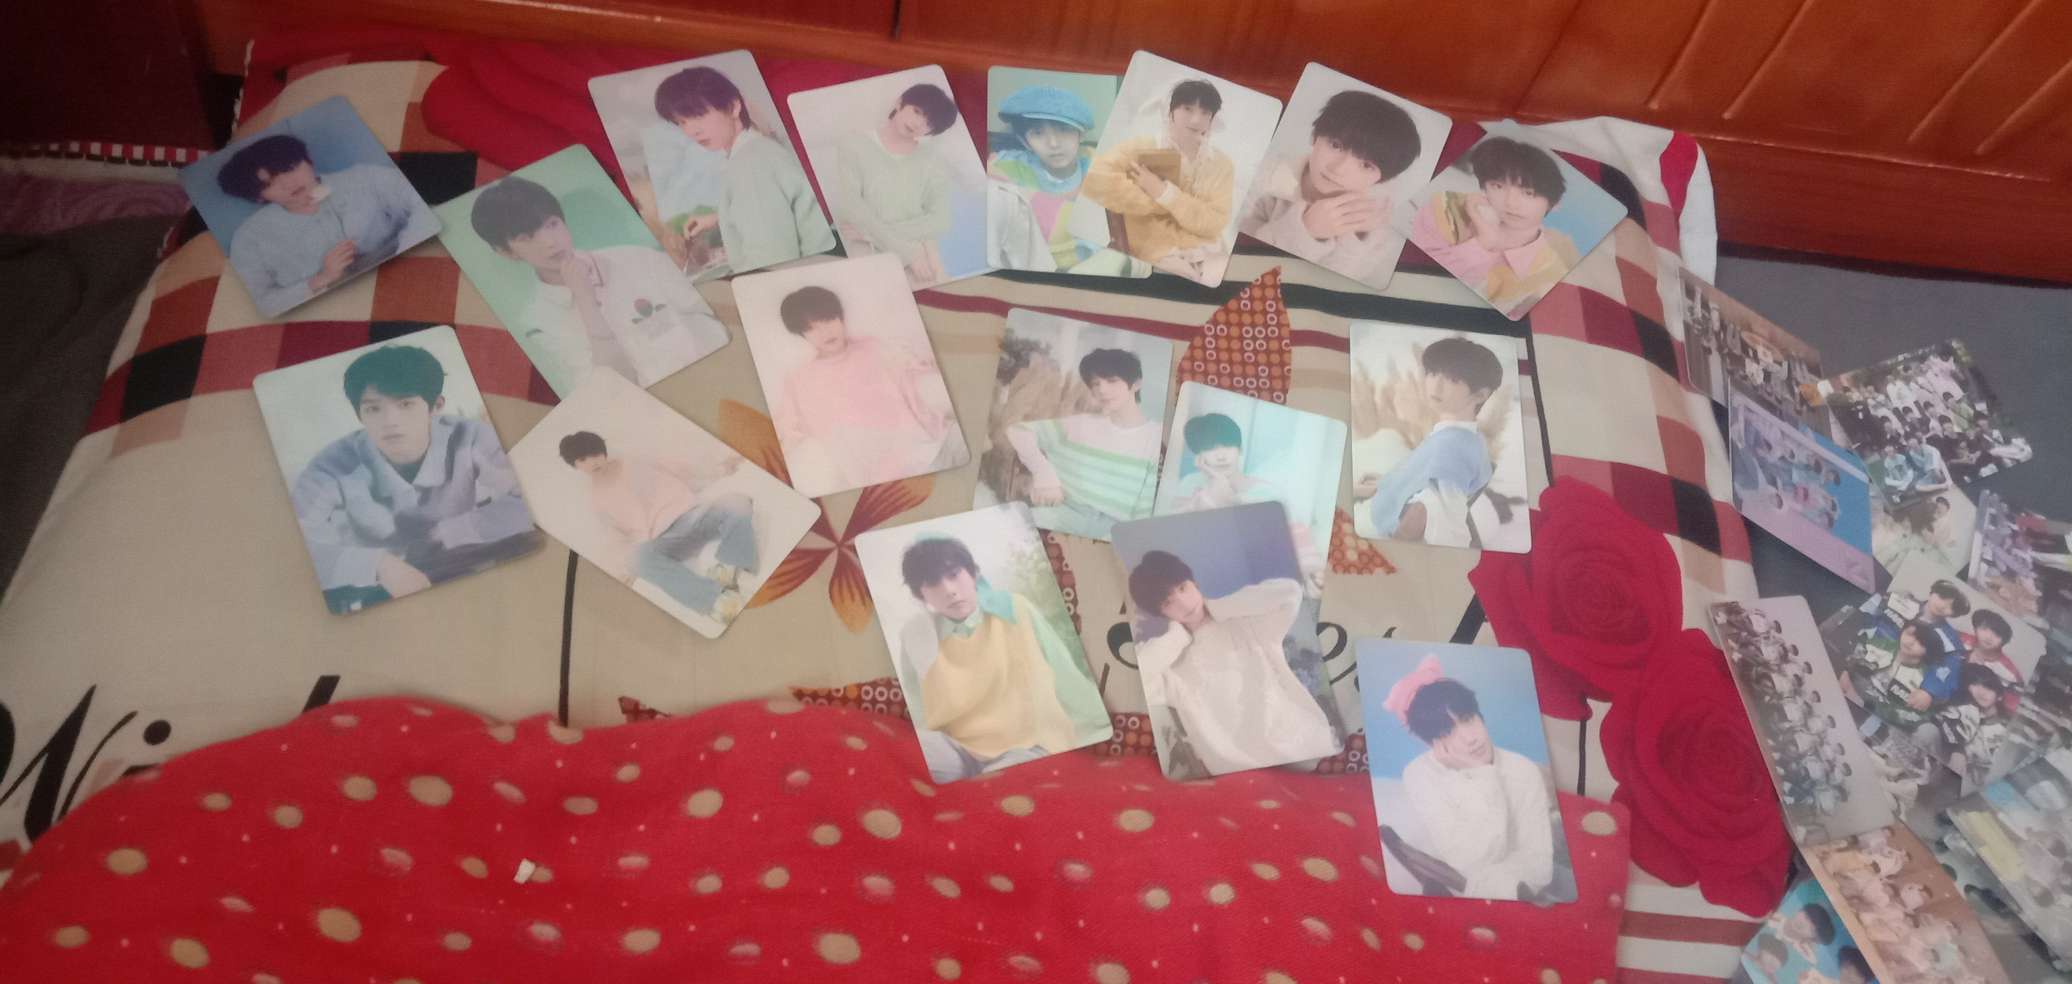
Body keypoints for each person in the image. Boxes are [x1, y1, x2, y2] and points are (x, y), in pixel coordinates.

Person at [291, 344, 540, 613]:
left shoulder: (470, 436)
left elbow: (532, 497)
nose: (390, 421)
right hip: (386, 583)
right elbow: (295, 542)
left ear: (435, 406)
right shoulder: (331, 465)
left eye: (405, 404)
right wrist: (376, 565)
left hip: (465, 555)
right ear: (359, 415)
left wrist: (452, 531)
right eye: (373, 409)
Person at [470, 176, 726, 392]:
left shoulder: (637, 258)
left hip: (714, 374)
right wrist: (585, 299)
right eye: (527, 237)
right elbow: (610, 388)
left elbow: (712, 315)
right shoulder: (538, 324)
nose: (550, 242)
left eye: (552, 224)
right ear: (506, 252)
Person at [894, 537, 1111, 780]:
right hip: (958, 747)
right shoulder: (918, 637)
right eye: (933, 583)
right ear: (921, 595)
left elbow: (1062, 669)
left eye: (954, 574)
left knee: (995, 786)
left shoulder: (1014, 610)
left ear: (973, 573)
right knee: (906, 755)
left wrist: (1099, 722)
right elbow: (916, 703)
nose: (949, 590)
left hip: (1027, 744)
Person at [1126, 550, 1338, 774]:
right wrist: (1176, 637)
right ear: (1161, 613)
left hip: (1300, 744)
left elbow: (1289, 592)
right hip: (1245, 768)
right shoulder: (1174, 666)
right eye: (1168, 602)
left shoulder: (1248, 625)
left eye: (1182, 588)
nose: (1183, 603)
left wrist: (1218, 608)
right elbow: (1139, 677)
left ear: (1194, 583)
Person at [1381, 656, 1558, 900]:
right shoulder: (1420, 773)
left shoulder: (1522, 770)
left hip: (1510, 885)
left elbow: (1540, 866)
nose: (1470, 738)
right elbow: (1469, 858)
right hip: (1461, 872)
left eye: (1467, 719)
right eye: (1447, 731)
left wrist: (1496, 880)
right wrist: (1481, 775)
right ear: (1432, 743)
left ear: (1480, 715)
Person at [216, 133, 437, 315]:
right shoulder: (249, 238)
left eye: (290, 168)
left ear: (309, 160)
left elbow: (423, 202)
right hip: (334, 309)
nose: (288, 183)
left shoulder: (363, 177)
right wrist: (319, 280)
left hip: (409, 270)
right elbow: (261, 302)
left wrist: (406, 252)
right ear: (258, 197)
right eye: (268, 183)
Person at [770, 284, 959, 491]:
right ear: (802, 335)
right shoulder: (800, 380)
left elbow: (918, 366)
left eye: (828, 320)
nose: (825, 332)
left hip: (930, 446)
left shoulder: (872, 348)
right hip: (881, 478)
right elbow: (784, 429)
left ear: (841, 318)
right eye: (812, 328)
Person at [652, 65, 836, 276]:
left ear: (733, 107)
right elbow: (771, 207)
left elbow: (772, 258)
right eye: (681, 122)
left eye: (699, 115)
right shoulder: (756, 150)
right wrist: (720, 217)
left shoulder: (749, 163)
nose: (692, 131)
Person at [558, 430, 757, 621]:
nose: (592, 462)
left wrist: (720, 469)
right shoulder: (596, 500)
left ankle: (732, 569)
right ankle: (715, 600)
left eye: (594, 454)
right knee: (635, 559)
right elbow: (614, 537)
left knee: (737, 502)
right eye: (583, 459)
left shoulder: (634, 460)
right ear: (575, 465)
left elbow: (682, 468)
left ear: (603, 451)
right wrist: (623, 572)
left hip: (694, 517)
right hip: (664, 541)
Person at [1241, 89, 1422, 283]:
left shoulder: (1378, 228)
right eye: (1336, 145)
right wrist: (1305, 230)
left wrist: (1355, 238)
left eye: (1366, 165)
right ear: (1314, 136)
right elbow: (1245, 262)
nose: (1339, 169)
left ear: (1382, 179)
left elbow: (1330, 287)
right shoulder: (1260, 177)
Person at [1353, 336, 1503, 545]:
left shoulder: (1452, 447)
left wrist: (1399, 537)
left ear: (1479, 395)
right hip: (1385, 501)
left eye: (1452, 380)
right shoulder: (1464, 436)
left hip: (1382, 525)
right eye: (1432, 373)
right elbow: (1425, 474)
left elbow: (1435, 509)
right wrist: (1387, 482)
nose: (1435, 386)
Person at [1408, 136, 1580, 317]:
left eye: (1528, 193)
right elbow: (1418, 274)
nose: (1511, 203)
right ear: (1484, 186)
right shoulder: (1446, 209)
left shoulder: (1551, 275)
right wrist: (1482, 242)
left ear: (1555, 203)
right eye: (1498, 186)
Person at [1083, 79, 1235, 282]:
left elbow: (1214, 221)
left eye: (1205, 112)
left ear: (1212, 119)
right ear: (1170, 112)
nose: (1196, 120)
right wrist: (1151, 200)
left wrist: (1164, 193)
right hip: (1153, 247)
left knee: (1223, 278)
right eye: (1187, 109)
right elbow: (1093, 176)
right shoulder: (1142, 147)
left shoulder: (1221, 164)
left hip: (1205, 248)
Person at [1003, 348, 1162, 539]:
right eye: (1096, 383)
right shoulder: (1082, 424)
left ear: (1136, 384)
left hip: (1114, 531)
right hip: (1062, 516)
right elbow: (1017, 431)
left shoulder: (1155, 437)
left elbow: (1144, 510)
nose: (1102, 389)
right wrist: (1043, 473)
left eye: (1112, 380)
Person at [1163, 412, 1325, 589]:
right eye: (1210, 448)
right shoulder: (1190, 484)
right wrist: (1215, 489)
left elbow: (1293, 536)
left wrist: (1310, 572)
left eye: (1228, 446)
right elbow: (1176, 534)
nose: (1221, 456)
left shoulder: (1267, 492)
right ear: (1199, 456)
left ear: (1239, 449)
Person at [833, 83, 961, 287]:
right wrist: (908, 253)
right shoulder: (854, 143)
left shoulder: (932, 161)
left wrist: (869, 234)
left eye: (929, 123)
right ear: (899, 103)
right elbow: (852, 206)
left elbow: (941, 220)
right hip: (869, 252)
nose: (919, 123)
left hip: (919, 257)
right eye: (917, 111)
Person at [986, 85, 1104, 272]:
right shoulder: (1011, 167)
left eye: (1064, 129)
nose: (1054, 143)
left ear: (1080, 134)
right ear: (1025, 142)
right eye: (1038, 133)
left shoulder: (1097, 165)